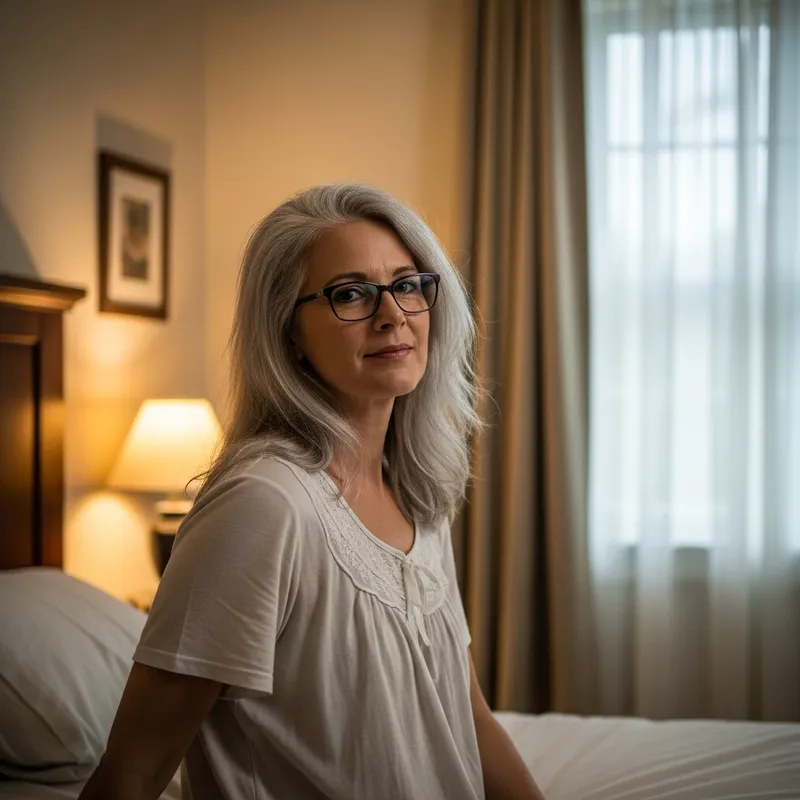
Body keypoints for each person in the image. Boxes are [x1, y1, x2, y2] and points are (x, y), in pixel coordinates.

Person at [79, 184, 545, 800]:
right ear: (288, 334)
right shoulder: (264, 504)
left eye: (407, 284)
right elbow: (135, 769)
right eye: (350, 293)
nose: (393, 314)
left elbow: (468, 714)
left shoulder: (418, 489)